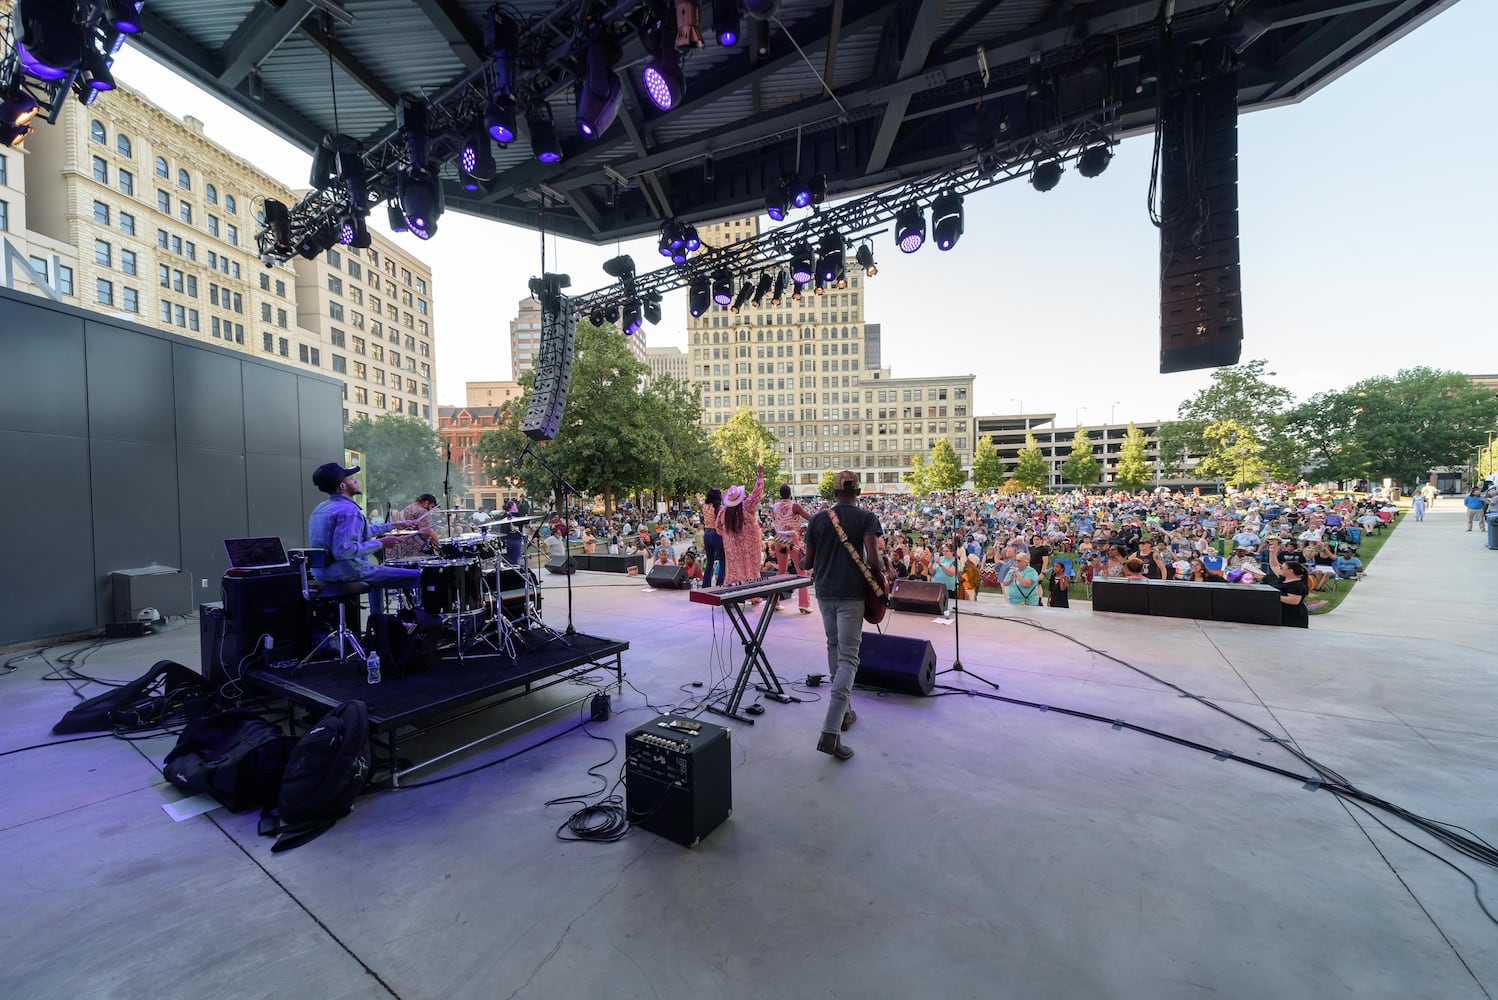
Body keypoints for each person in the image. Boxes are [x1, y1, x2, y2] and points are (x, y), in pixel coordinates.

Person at [801, 470, 883, 761]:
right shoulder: (866, 519)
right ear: (857, 491)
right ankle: (831, 731)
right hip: (851, 595)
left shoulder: (819, 519)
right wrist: (886, 570)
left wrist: (800, 552)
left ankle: (845, 713)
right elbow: (874, 561)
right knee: (849, 657)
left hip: (824, 594)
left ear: (834, 493)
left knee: (834, 648)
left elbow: (807, 562)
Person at [307, 462, 422, 613]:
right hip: (347, 572)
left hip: (323, 572)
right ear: (342, 486)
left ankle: (378, 622)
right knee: (423, 576)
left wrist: (394, 525)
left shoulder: (321, 508)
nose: (355, 481)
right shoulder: (348, 510)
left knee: (377, 574)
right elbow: (343, 550)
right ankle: (423, 623)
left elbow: (359, 532)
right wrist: (381, 543)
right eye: (350, 478)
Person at [719, 464, 766, 588]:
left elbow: (718, 527)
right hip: (750, 545)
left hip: (732, 547)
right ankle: (753, 594)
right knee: (751, 567)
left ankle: (731, 593)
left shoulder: (723, 512)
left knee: (733, 569)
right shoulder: (747, 506)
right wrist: (760, 475)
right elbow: (757, 493)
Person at [771, 484, 814, 613]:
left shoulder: (775, 506)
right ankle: (804, 604)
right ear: (790, 493)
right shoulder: (795, 506)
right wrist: (822, 508)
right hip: (791, 538)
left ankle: (774, 602)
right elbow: (811, 518)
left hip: (779, 538)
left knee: (781, 571)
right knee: (801, 571)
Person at [384, 493, 442, 560]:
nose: (430, 510)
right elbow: (427, 532)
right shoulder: (421, 511)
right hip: (411, 553)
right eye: (432, 507)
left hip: (395, 551)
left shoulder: (408, 508)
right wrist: (439, 546)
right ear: (426, 503)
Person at [1270, 549, 1310, 628]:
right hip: (1280, 613)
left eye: (1282, 568)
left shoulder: (1298, 585)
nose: (1280, 568)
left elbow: (1294, 601)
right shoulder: (1283, 578)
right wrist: (1272, 552)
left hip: (1292, 617)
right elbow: (1274, 566)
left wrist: (1272, 596)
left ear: (1290, 571)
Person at [700, 488, 727, 588]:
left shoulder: (705, 506)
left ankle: (705, 585)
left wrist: (698, 497)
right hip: (717, 533)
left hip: (707, 533)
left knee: (709, 561)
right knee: (722, 560)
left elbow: (700, 502)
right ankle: (720, 584)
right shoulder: (720, 508)